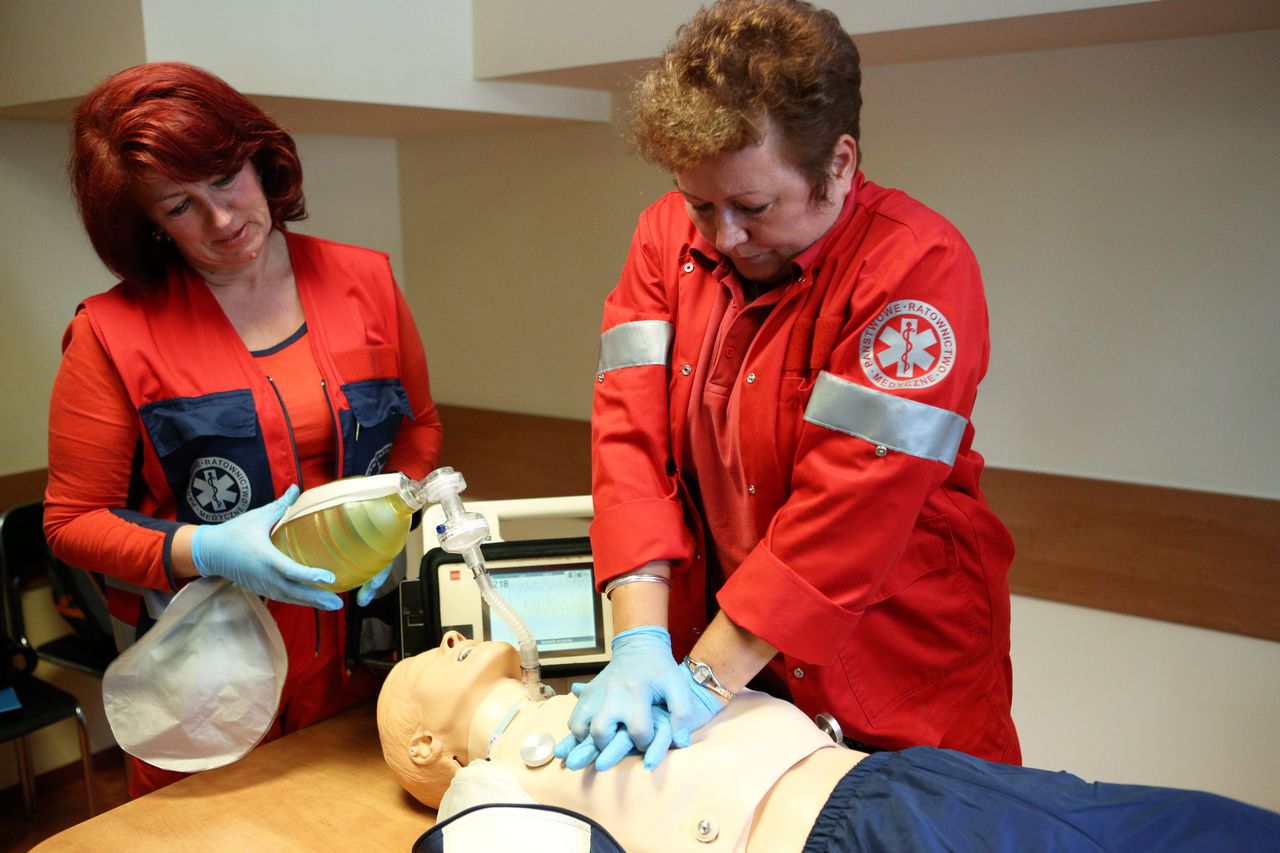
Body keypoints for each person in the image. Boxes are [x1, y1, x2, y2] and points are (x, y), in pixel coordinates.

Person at [558, 0, 1019, 773]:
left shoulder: (916, 268)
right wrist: (639, 640)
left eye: (753, 206)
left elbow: (845, 518)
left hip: (890, 665)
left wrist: (699, 682)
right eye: (699, 201)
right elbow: (630, 444)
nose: (721, 236)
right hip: (735, 652)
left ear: (838, 164)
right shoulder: (665, 235)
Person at [44, 61, 443, 797]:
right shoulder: (111, 333)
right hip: (212, 669)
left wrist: (399, 514)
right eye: (180, 207)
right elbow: (72, 522)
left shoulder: (367, 283)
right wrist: (209, 548)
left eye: (225, 179)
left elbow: (418, 426)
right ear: (148, 225)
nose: (223, 220)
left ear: (260, 159)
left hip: (363, 648)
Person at [380, 635, 1280, 852]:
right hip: (847, 838)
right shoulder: (491, 794)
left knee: (1158, 824)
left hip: (891, 778)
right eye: (430, 657)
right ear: (428, 750)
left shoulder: (607, 682)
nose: (455, 640)